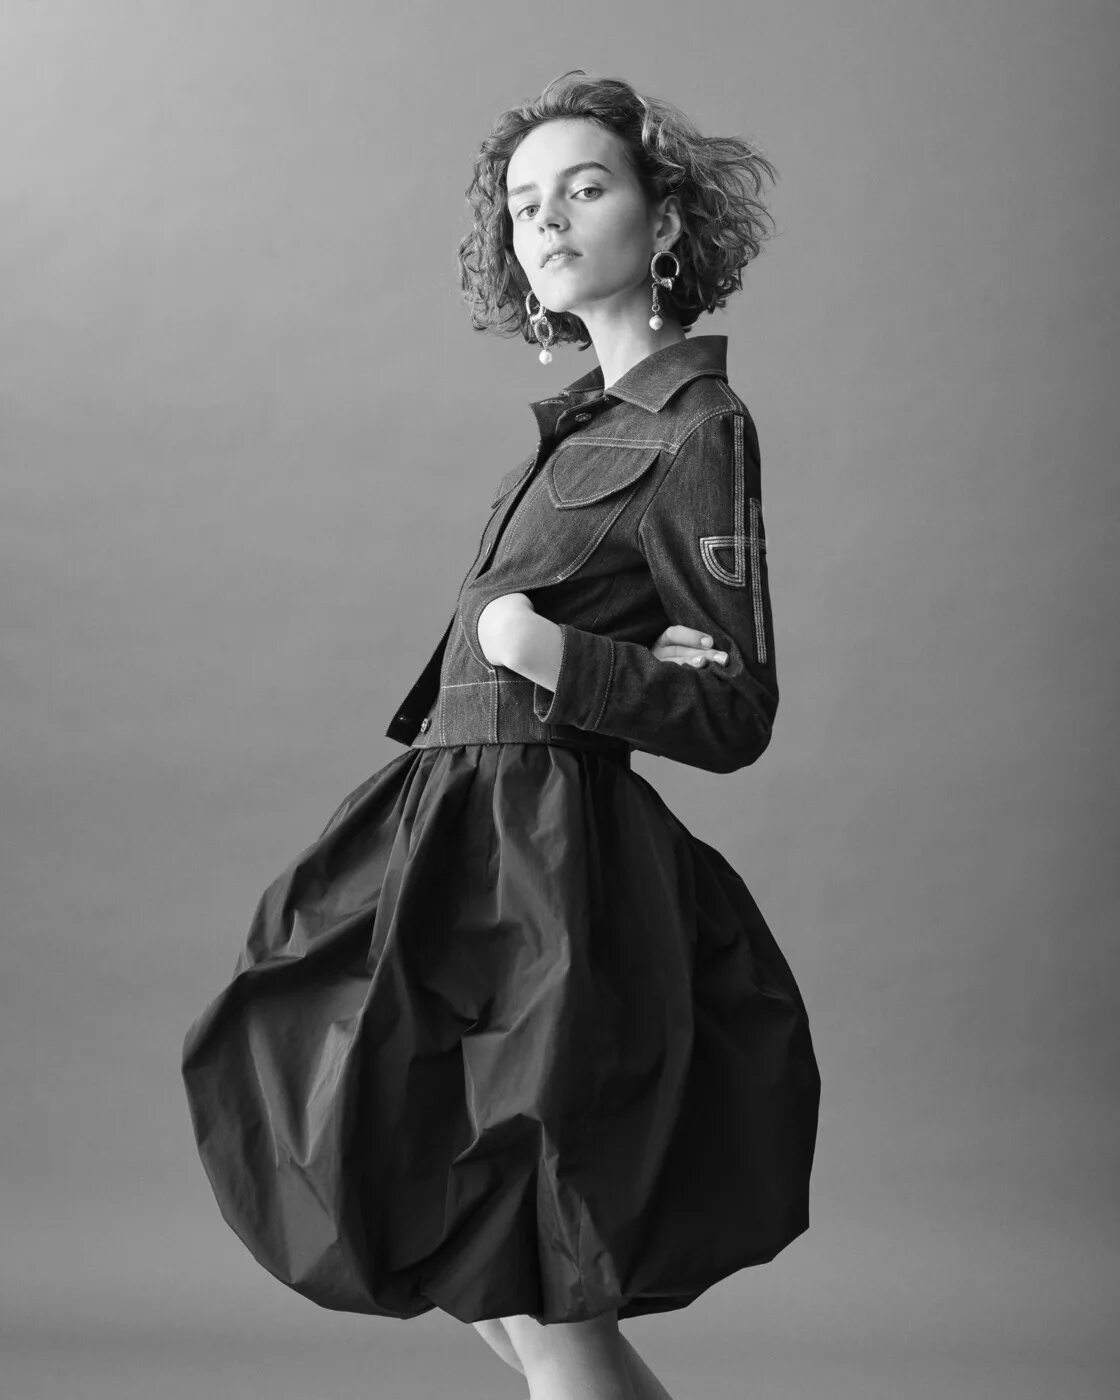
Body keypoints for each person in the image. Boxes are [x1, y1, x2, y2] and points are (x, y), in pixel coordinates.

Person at [181, 70, 821, 1400]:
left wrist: (555, 655)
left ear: (664, 220)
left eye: (585, 188)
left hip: (547, 879)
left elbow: (734, 708)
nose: (549, 220)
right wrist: (586, 653)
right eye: (527, 205)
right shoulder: (576, 428)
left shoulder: (698, 428)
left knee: (534, 1265)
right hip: (454, 851)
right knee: (460, 1247)